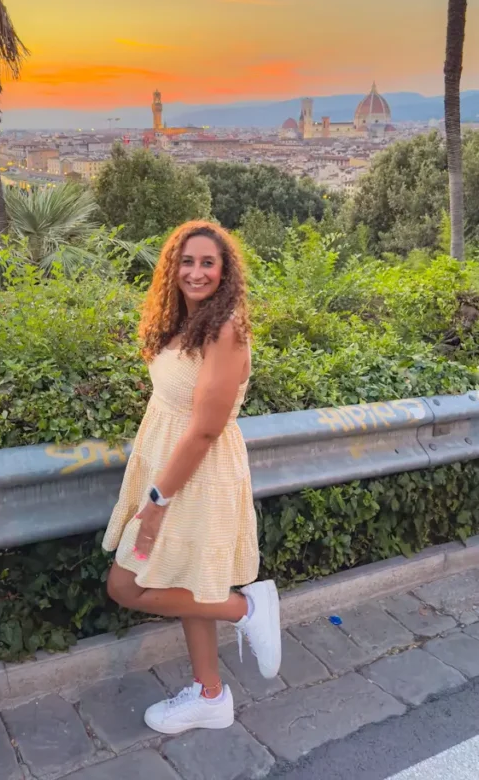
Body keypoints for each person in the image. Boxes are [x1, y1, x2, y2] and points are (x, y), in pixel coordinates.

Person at [103, 220, 281, 735]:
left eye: (208, 262)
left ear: (225, 271)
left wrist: (156, 500)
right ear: (172, 268)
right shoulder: (181, 322)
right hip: (167, 466)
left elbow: (204, 430)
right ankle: (210, 697)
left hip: (193, 478)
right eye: (187, 261)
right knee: (184, 580)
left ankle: (246, 608)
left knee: (125, 585)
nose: (196, 271)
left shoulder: (226, 330)